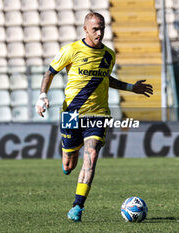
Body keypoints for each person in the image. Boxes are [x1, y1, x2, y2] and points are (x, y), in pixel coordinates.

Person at [36, 12, 153, 222]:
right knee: (69, 165)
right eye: (95, 29)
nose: (99, 33)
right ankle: (68, 158)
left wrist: (131, 87)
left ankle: (77, 207)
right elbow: (50, 72)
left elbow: (105, 79)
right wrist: (42, 95)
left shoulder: (109, 55)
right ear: (86, 30)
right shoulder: (71, 50)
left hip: (98, 114)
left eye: (102, 29)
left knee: (91, 156)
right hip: (71, 115)